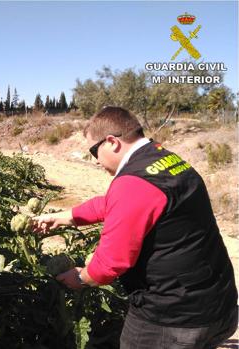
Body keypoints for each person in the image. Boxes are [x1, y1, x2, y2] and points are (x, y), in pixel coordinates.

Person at [33, 106, 237, 348]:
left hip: (171, 319)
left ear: (112, 142)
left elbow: (110, 263)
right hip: (217, 303)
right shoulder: (166, 159)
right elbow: (121, 204)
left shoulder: (133, 183)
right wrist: (66, 216)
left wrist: (79, 277)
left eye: (93, 151)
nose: (95, 161)